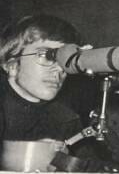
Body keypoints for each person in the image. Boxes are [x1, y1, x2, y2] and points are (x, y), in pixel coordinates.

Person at [0, 15, 83, 143]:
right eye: (47, 55)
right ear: (12, 65)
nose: (60, 69)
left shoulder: (65, 119)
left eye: (64, 60)